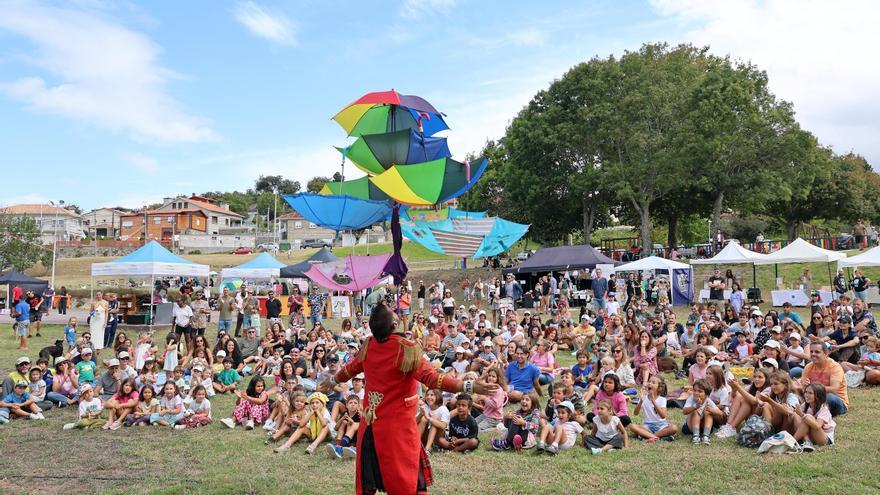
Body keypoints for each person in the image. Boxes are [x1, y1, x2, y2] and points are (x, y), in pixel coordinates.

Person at [329, 302, 496, 495]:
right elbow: (432, 378)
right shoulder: (406, 349)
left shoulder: (368, 345)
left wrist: (332, 380)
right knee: (408, 480)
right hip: (398, 428)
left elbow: (349, 370)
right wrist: (468, 385)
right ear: (394, 325)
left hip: (370, 425)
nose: (394, 311)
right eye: (392, 313)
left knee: (370, 481)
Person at [801, 341, 848, 416]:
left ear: (826, 353)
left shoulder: (834, 367)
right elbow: (804, 387)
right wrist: (803, 385)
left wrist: (813, 388)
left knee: (829, 397)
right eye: (811, 351)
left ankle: (813, 411)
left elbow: (834, 389)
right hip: (813, 398)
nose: (813, 354)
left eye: (817, 352)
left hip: (836, 400)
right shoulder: (808, 367)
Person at [793, 383, 835, 452]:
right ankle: (807, 441)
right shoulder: (806, 405)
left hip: (824, 438)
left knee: (807, 417)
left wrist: (802, 415)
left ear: (818, 396)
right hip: (811, 435)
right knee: (797, 416)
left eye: (810, 393)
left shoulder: (824, 409)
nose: (806, 395)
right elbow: (797, 417)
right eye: (806, 392)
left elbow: (817, 426)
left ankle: (791, 442)